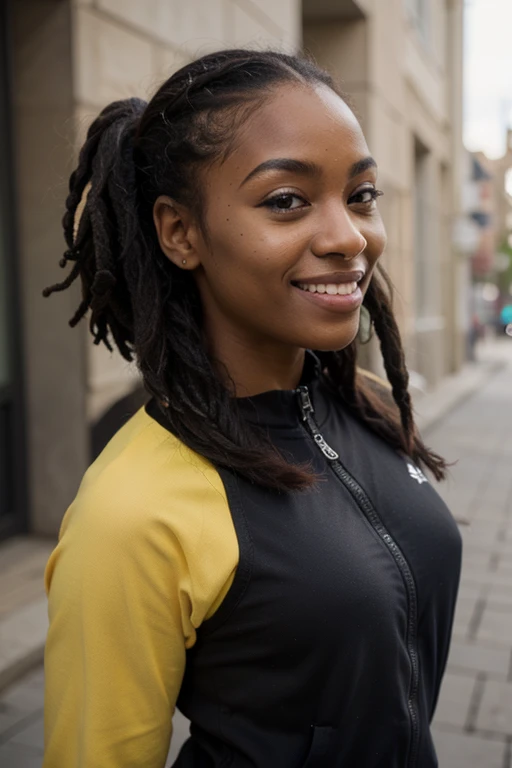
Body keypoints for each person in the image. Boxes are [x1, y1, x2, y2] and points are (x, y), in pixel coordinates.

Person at [42, 49, 462, 768]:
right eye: (287, 201)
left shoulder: (363, 405)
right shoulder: (131, 510)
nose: (348, 237)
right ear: (181, 232)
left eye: (360, 194)